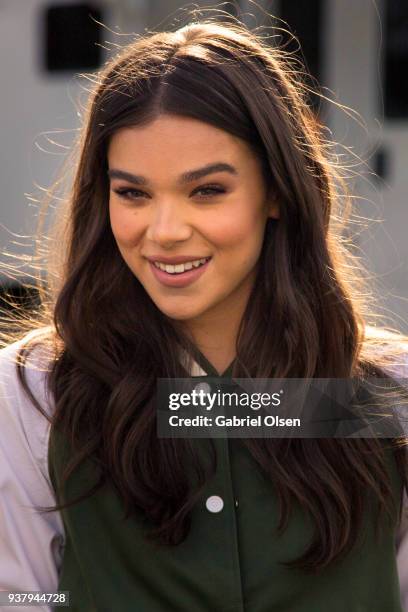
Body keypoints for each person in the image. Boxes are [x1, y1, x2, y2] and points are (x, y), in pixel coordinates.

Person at [1, 15, 408, 612]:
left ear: (275, 192)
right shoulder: (37, 391)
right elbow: (24, 600)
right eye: (133, 193)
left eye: (207, 191)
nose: (164, 232)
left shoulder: (386, 394)